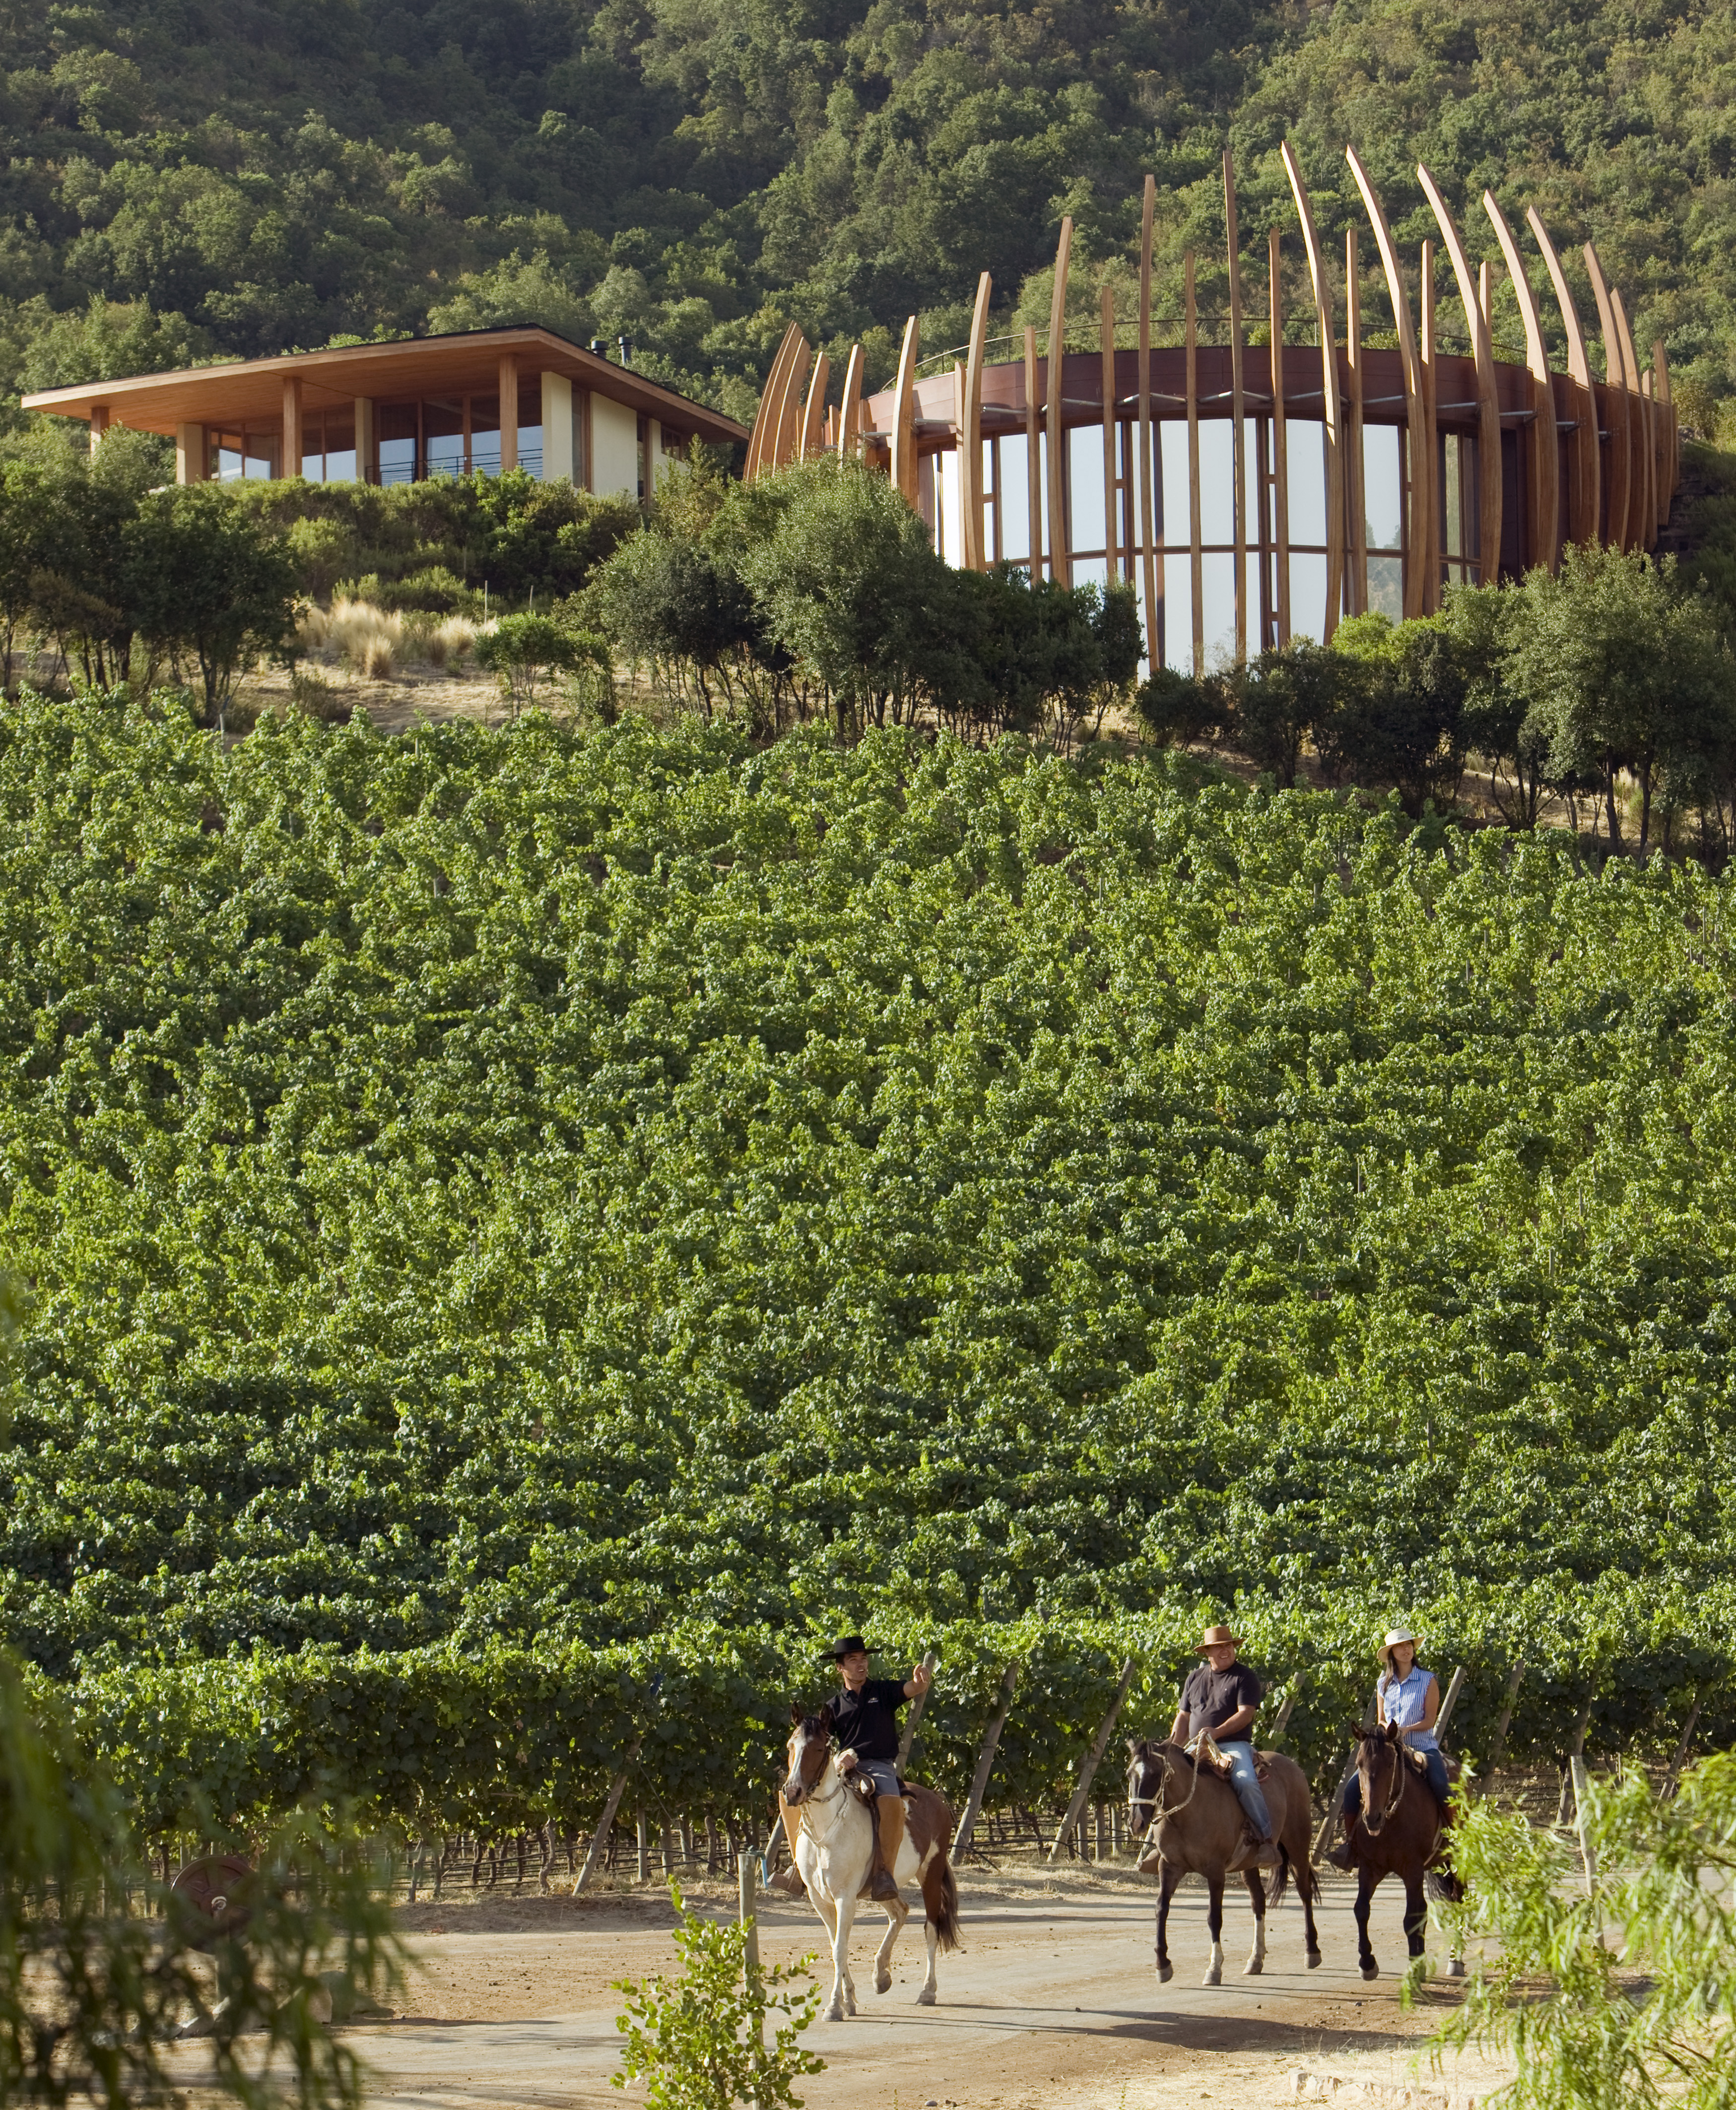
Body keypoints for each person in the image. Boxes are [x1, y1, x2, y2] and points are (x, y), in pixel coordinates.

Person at [774, 1635, 934, 1901]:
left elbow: (910, 1689)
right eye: (853, 1661)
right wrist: (839, 1760)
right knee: (792, 1799)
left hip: (880, 1766)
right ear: (841, 1668)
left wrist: (919, 1684)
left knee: (891, 1802)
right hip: (845, 1766)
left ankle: (885, 1872)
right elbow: (822, 1744)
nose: (861, 1665)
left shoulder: (882, 1691)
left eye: (864, 1659)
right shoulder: (833, 1707)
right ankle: (798, 1869)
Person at [1327, 1627, 1451, 1870]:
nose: (1406, 1650)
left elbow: (1430, 1721)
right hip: (1389, 1747)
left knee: (1439, 1782)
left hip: (1422, 1746)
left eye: (1409, 1645)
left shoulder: (1428, 1680)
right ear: (1391, 1653)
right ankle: (1350, 1846)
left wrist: (1404, 1729)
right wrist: (1386, 1730)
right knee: (1352, 1788)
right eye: (1400, 1646)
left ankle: (1456, 1839)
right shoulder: (1383, 1683)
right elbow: (1382, 1718)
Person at [1170, 1624, 1275, 1864]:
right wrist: (1173, 1747)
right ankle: (1161, 1846)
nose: (1224, 1650)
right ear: (1207, 1652)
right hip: (1197, 1745)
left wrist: (1216, 1733)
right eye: (1218, 1647)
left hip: (1232, 1745)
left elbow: (1246, 1713)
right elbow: (1184, 1717)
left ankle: (1266, 1840)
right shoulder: (1194, 1678)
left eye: (1228, 1645)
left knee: (1246, 1781)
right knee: (1166, 1777)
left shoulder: (1244, 1676)